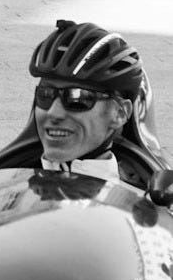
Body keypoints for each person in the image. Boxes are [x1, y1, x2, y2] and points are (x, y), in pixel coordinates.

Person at [28, 19, 145, 180]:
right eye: (45, 94)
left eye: (77, 98)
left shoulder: (141, 198)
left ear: (120, 113)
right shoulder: (2, 180)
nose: (54, 113)